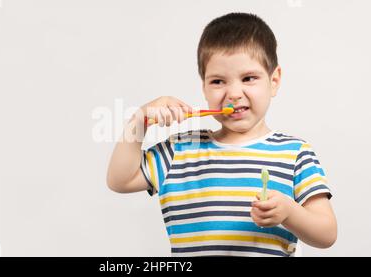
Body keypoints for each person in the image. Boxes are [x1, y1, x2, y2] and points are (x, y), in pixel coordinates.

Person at [106, 12, 337, 257]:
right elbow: (120, 180)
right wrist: (139, 120)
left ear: (274, 81)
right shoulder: (180, 149)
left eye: (248, 78)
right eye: (218, 81)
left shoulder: (295, 154)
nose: (234, 92)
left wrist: (290, 213)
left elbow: (327, 234)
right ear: (204, 86)